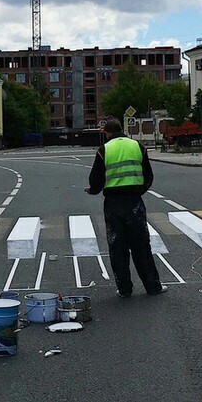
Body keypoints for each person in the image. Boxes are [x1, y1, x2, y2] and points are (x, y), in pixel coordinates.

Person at [85, 120, 166, 298]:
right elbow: (149, 176)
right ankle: (153, 287)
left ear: (106, 132)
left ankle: (124, 289)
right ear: (122, 130)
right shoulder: (138, 146)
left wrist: (93, 191)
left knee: (117, 247)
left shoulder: (104, 150)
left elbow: (96, 180)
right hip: (135, 203)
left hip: (113, 204)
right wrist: (138, 191)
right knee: (142, 246)